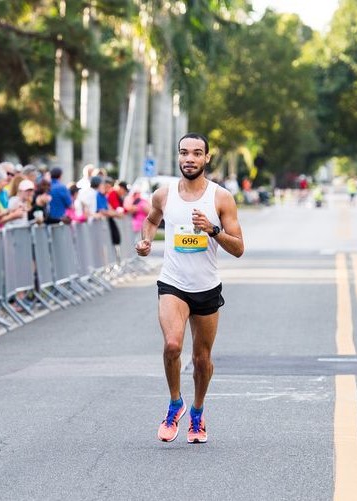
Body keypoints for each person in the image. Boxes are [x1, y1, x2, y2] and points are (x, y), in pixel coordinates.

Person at [136, 133, 244, 444]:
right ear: (178, 156)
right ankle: (174, 404)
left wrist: (212, 230)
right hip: (173, 282)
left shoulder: (220, 197)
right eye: (184, 153)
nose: (190, 159)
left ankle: (197, 412)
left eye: (197, 153)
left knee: (201, 359)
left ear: (207, 158)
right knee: (172, 345)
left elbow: (238, 248)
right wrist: (144, 241)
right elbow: (150, 220)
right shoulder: (164, 194)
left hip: (207, 286)